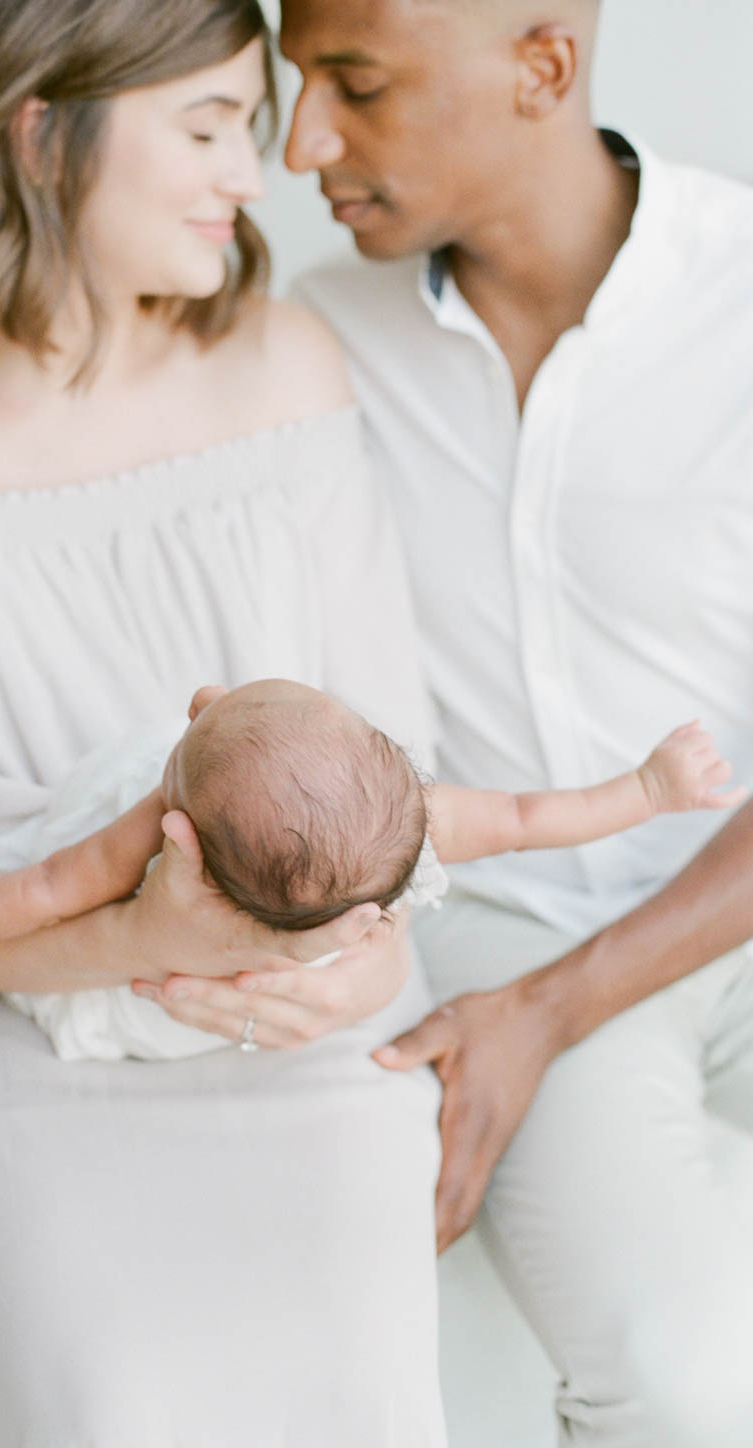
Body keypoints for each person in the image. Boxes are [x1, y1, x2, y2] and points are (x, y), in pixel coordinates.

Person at [0, 1, 451, 1443]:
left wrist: (358, 966)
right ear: (42, 132)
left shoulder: (284, 368)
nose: (255, 173)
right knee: (89, 1355)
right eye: (209, 126)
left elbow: (393, 770)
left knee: (350, 1301)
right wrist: (135, 944)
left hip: (297, 1009)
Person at [220, 0, 750, 1442]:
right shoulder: (314, 341)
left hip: (708, 909)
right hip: (500, 915)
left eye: (358, 83)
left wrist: (548, 1011)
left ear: (544, 67)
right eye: (295, 84)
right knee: (687, 1382)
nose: (303, 141)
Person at [0, 672, 738, 1064]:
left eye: (203, 720)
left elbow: (35, 894)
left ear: (179, 819)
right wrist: (648, 788)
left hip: (169, 1000)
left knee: (58, 902)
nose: (204, 698)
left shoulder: (153, 831)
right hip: (250, 980)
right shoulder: (416, 820)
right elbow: (532, 817)